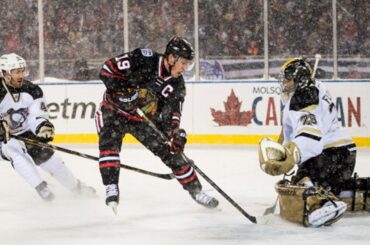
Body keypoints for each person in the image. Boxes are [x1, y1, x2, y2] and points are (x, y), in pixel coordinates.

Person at [95, 36, 219, 212]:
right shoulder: (144, 59)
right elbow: (107, 70)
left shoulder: (177, 84)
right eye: (183, 63)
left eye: (187, 64)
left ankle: (197, 192)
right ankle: (111, 187)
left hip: (142, 119)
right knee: (109, 144)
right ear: (171, 58)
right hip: (114, 112)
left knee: (171, 151)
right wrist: (124, 92)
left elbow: (173, 114)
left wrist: (174, 134)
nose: (185, 68)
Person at [258, 57, 366, 227]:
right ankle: (357, 190)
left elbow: (311, 136)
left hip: (330, 154)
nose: (284, 83)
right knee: (329, 185)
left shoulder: (303, 97)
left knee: (303, 182)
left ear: (299, 79)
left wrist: (291, 156)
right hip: (341, 153)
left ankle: (322, 205)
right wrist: (285, 145)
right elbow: (299, 127)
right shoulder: (311, 89)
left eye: (288, 79)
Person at [0, 53, 96, 201]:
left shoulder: (32, 90)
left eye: (22, 70)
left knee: (49, 158)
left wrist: (42, 126)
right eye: (16, 71)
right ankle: (41, 187)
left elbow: (36, 116)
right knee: (13, 148)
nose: (21, 75)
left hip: (25, 133)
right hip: (3, 140)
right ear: (5, 73)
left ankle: (76, 187)